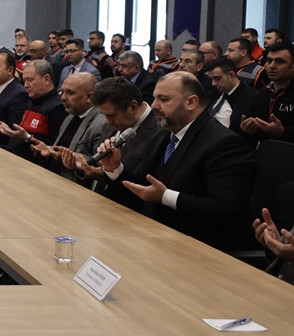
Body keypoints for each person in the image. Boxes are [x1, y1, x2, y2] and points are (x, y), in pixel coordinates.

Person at [90, 72, 256, 251]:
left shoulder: (224, 143)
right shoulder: (161, 137)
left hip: (193, 248)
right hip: (149, 237)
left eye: (164, 99)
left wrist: (165, 196)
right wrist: (115, 169)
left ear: (191, 102)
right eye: (155, 98)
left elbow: (227, 209)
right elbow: (142, 188)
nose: (154, 105)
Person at [61, 77, 164, 202]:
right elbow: (100, 165)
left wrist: (107, 176)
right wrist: (83, 166)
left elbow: (144, 186)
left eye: (111, 116)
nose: (108, 122)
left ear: (133, 107)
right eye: (104, 115)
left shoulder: (160, 132)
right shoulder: (112, 119)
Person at [32, 72, 111, 181]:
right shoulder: (70, 116)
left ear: (89, 96)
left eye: (70, 93)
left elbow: (98, 165)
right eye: (62, 92)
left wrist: (70, 159)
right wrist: (49, 150)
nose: (63, 98)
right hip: (49, 176)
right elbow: (61, 150)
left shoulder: (102, 124)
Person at [0, 60, 67, 161]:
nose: (26, 85)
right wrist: (10, 132)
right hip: (12, 156)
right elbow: (23, 134)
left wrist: (27, 138)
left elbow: (56, 149)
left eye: (30, 80)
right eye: (24, 80)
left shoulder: (57, 108)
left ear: (46, 79)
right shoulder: (32, 100)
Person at [241, 41, 294, 144]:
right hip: (265, 152)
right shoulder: (260, 95)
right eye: (269, 61)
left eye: (280, 61)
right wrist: (249, 131)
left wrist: (283, 132)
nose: (272, 66)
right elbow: (254, 139)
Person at [204, 57, 256, 134]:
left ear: (231, 75)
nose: (213, 83)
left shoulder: (253, 97)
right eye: (212, 79)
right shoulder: (212, 92)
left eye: (217, 78)